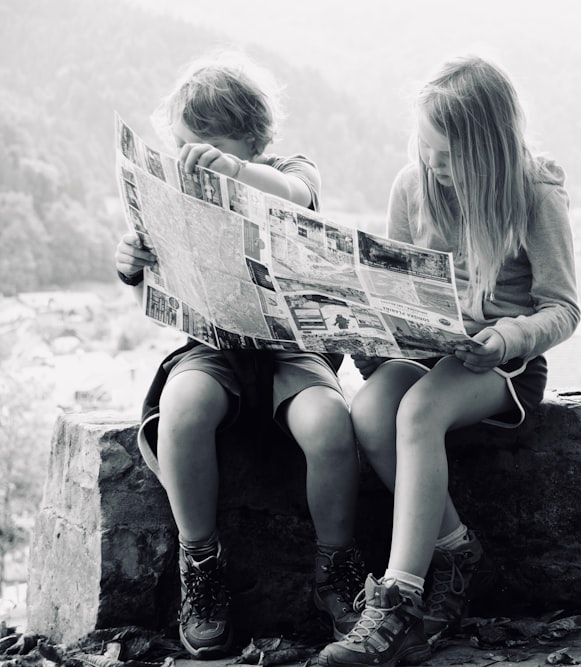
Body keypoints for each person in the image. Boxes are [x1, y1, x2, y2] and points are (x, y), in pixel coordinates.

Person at [316, 55, 580, 667]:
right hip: (430, 352)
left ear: (486, 147)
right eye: (425, 148)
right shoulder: (413, 184)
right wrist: (369, 328)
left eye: (446, 155)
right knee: (373, 411)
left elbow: (562, 309)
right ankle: (456, 552)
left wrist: (503, 340)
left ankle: (397, 601)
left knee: (418, 412)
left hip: (503, 365)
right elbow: (394, 284)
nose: (432, 165)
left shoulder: (535, 191)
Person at [113, 51, 363, 658]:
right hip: (214, 347)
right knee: (183, 408)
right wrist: (130, 261)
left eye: (211, 146)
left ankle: (336, 567)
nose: (192, 159)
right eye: (182, 146)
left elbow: (297, 194)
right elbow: (151, 261)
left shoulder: (289, 169)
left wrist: (232, 172)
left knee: (330, 426)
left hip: (290, 350)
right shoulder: (176, 187)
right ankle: (200, 562)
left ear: (253, 139)